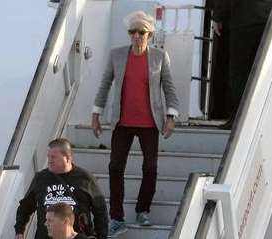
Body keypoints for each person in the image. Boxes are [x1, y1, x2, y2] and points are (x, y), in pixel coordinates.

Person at [91, 11, 179, 237]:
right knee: (115, 168)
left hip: (150, 122)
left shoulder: (159, 57)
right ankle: (117, 218)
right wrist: (96, 113)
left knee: (150, 168)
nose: (137, 36)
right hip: (123, 122)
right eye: (133, 32)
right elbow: (105, 85)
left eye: (142, 32)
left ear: (150, 34)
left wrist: (171, 116)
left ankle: (143, 210)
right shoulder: (117, 55)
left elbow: (169, 87)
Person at [14, 138, 108, 239]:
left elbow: (100, 211)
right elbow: (25, 207)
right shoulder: (41, 178)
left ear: (67, 158)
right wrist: (19, 230)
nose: (49, 160)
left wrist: (101, 236)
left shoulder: (85, 179)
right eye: (48, 156)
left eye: (53, 157)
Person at [213, 0, 272, 129]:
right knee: (265, 71)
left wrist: (218, 16)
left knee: (239, 73)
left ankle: (239, 119)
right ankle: (263, 117)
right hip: (270, 17)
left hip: (244, 19)